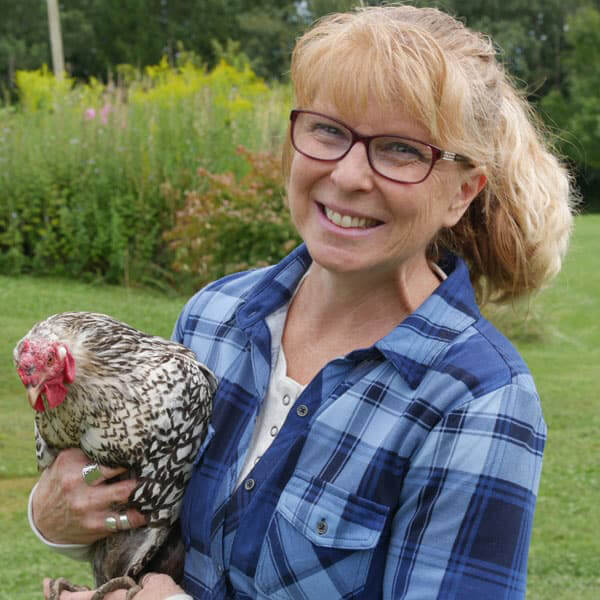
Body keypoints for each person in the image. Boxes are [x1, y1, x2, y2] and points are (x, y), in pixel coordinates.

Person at [31, 4, 575, 599]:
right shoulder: (216, 318)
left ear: (461, 193)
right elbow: (144, 513)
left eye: (398, 149)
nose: (348, 175)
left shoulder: (476, 401)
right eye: (329, 131)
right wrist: (56, 518)